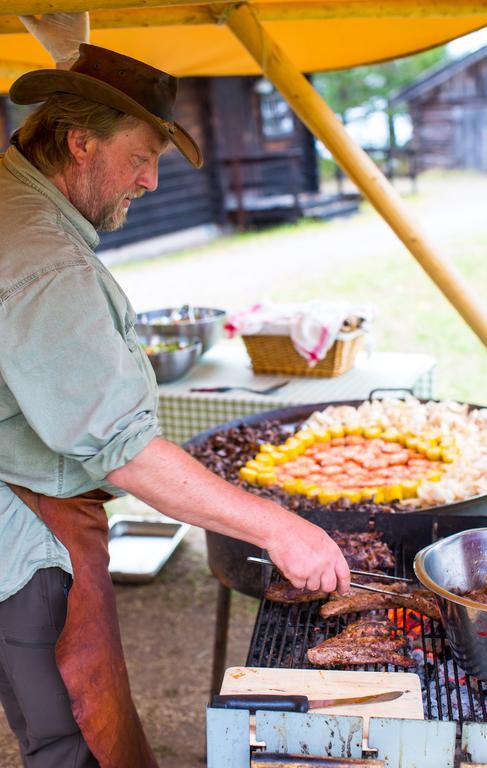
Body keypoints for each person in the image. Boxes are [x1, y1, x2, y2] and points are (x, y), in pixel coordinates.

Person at [0, 16, 350, 768]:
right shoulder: (42, 258)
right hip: (28, 527)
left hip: (38, 505)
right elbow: (123, 448)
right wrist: (278, 528)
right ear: (79, 143)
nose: (151, 182)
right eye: (142, 157)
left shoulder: (17, 207)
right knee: (78, 741)